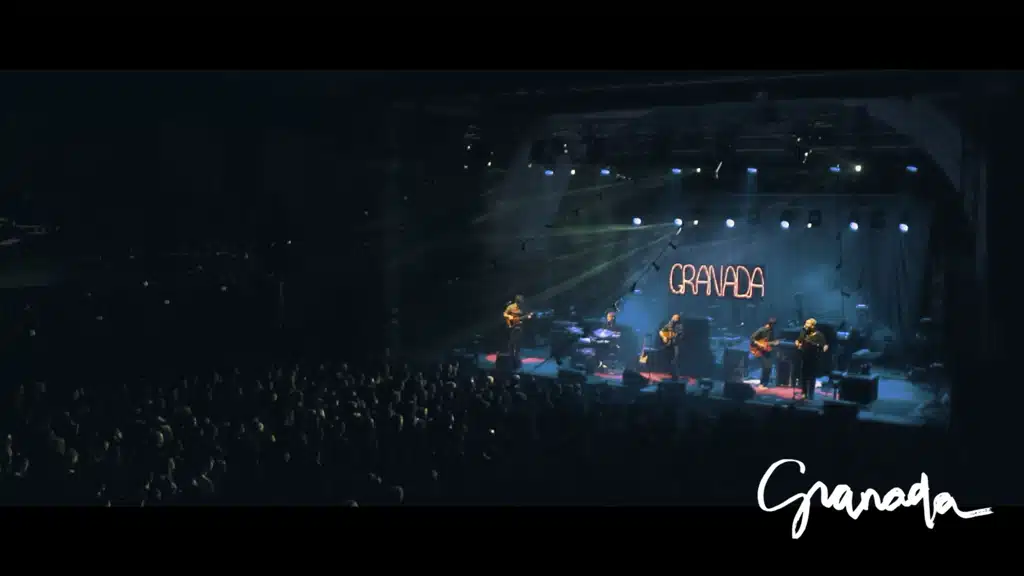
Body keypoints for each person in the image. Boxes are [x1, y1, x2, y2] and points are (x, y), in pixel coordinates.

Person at [795, 318, 828, 400]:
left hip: (814, 359)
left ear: (813, 326)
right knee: (804, 376)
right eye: (805, 323)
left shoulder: (819, 335)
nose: (805, 325)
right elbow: (798, 340)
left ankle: (811, 394)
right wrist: (797, 343)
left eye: (808, 323)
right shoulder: (804, 333)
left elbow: (825, 347)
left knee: (812, 377)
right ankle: (804, 393)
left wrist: (814, 345)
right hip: (804, 357)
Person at [749, 317, 778, 387]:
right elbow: (752, 338)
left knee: (768, 368)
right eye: (773, 325)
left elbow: (769, 342)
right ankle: (762, 383)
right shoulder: (762, 330)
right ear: (770, 324)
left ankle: (765, 383)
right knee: (766, 367)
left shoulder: (771, 331)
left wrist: (774, 343)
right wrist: (759, 344)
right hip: (759, 350)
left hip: (766, 350)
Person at [503, 295, 528, 366]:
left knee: (518, 342)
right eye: (520, 301)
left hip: (519, 326)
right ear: (517, 301)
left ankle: (516, 357)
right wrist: (510, 317)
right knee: (511, 342)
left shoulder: (523, 308)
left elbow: (525, 316)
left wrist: (527, 317)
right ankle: (511, 357)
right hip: (512, 326)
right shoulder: (511, 307)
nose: (521, 303)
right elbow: (505, 314)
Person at [658, 314, 683, 378]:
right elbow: (661, 332)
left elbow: (680, 335)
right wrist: (664, 337)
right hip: (669, 346)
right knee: (670, 360)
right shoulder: (669, 325)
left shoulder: (679, 326)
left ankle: (675, 375)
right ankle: (672, 373)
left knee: (674, 360)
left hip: (675, 346)